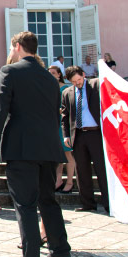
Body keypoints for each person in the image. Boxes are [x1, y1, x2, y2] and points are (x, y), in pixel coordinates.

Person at [0, 31, 71, 257]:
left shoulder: (10, 71)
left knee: (25, 204)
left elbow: (0, 110)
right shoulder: (49, 77)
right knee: (48, 200)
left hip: (22, 147)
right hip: (49, 147)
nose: (10, 52)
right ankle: (61, 251)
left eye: (12, 48)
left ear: (19, 46)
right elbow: (56, 116)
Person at [62, 65, 109, 213]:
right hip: (78, 135)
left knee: (102, 170)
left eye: (79, 80)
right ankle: (88, 203)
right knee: (82, 171)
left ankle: (109, 203)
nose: (78, 83)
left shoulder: (96, 84)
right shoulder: (67, 93)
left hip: (96, 134)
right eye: (74, 82)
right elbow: (65, 116)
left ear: (83, 75)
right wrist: (66, 136)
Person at [48, 65, 76, 194]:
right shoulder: (48, 88)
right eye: (49, 73)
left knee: (67, 153)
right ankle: (58, 180)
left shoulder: (65, 88)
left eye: (53, 73)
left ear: (59, 75)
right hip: (53, 123)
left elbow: (69, 107)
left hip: (63, 124)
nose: (51, 75)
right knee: (57, 154)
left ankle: (70, 181)